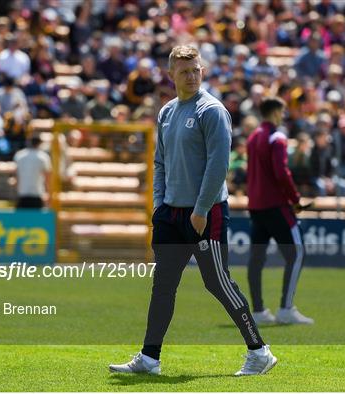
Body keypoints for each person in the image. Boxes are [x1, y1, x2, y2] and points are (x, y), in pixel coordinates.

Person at [109, 45, 276, 376]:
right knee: (164, 285)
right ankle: (150, 358)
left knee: (217, 282)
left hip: (206, 213)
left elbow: (218, 164)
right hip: (170, 213)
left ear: (203, 71)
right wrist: (159, 203)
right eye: (184, 71)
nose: (191, 76)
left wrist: (200, 209)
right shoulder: (167, 112)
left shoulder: (211, 110)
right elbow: (160, 162)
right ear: (171, 75)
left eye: (196, 70)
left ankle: (259, 352)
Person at [246, 97, 314, 325]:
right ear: (275, 112)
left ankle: (258, 310)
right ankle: (286, 308)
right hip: (276, 205)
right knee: (296, 253)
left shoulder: (253, 137)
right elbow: (281, 172)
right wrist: (295, 199)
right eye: (282, 111)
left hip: (256, 206)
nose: (284, 115)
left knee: (256, 258)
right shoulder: (278, 137)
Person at [13, 135, 51, 208]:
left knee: (22, 219)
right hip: (37, 195)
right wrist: (48, 193)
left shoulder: (19, 155)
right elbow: (47, 178)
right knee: (36, 219)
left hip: (22, 195)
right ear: (40, 143)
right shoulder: (43, 157)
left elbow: (16, 176)